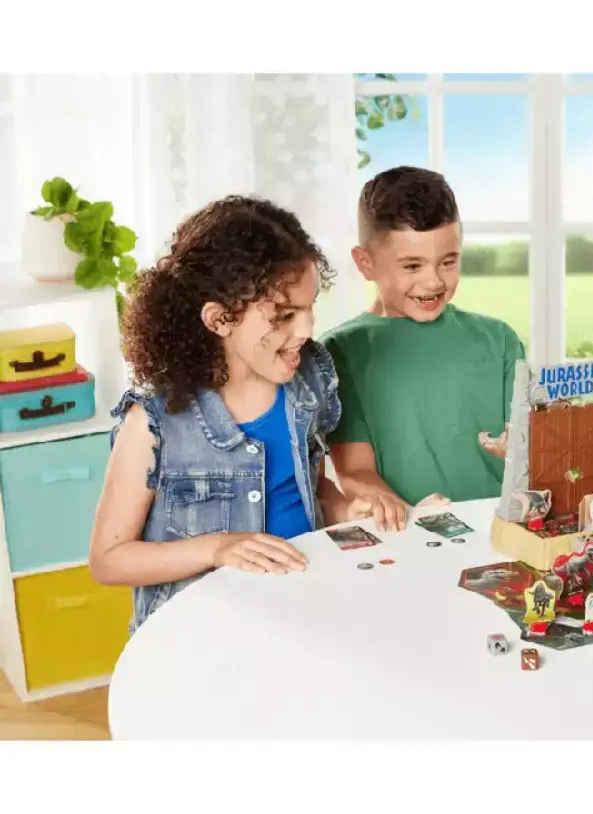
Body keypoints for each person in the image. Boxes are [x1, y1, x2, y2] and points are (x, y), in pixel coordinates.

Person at [89, 195, 366, 631]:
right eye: (284, 315)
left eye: (310, 308)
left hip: (299, 614)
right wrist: (217, 548)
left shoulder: (309, 379)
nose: (307, 329)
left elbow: (310, 489)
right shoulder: (154, 421)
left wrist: (347, 510)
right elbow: (108, 559)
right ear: (219, 320)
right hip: (201, 635)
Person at [322, 166, 524, 532]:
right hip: (410, 538)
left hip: (501, 533)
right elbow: (354, 470)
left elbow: (528, 451)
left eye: (448, 262)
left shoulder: (499, 339)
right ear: (365, 263)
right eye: (412, 266)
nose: (433, 282)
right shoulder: (341, 351)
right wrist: (412, 519)